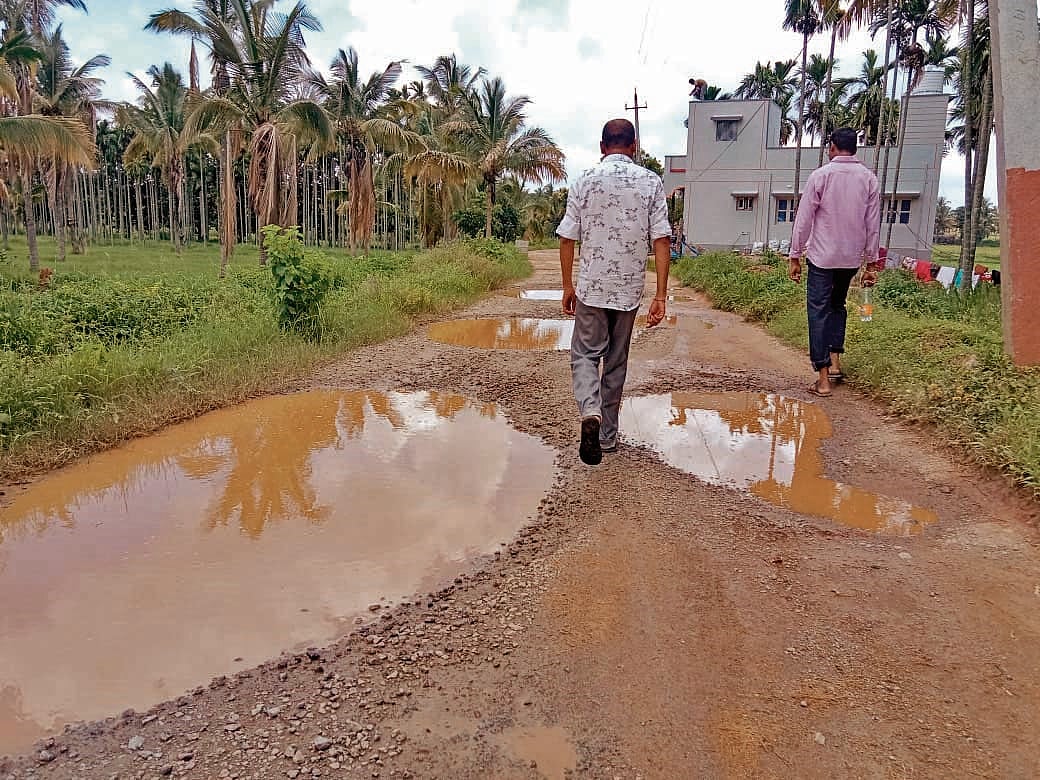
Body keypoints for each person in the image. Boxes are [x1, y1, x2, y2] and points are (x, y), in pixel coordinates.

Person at [557, 118, 672, 465]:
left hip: (592, 287)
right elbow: (662, 239)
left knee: (585, 355)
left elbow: (567, 237)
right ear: (633, 146)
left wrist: (567, 285)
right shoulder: (650, 182)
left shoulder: (584, 181)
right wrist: (661, 295)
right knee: (616, 362)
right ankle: (606, 437)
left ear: (602, 147)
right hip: (629, 290)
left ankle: (590, 411)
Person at [788, 127, 881, 398]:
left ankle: (824, 378)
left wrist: (795, 255)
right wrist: (871, 262)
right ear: (855, 148)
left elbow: (803, 219)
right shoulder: (869, 179)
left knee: (818, 311)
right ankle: (836, 361)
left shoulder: (821, 176)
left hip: (822, 257)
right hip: (850, 258)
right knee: (838, 306)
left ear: (831, 147)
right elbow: (872, 224)